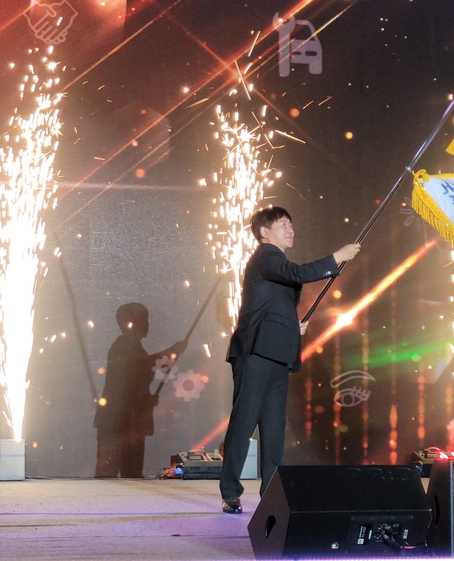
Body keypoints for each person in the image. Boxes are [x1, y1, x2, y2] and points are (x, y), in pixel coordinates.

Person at [219, 206, 361, 513]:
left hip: (277, 354)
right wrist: (337, 257)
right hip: (256, 352)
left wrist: (291, 327)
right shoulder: (266, 256)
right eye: (283, 224)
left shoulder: (276, 264)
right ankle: (230, 492)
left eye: (291, 224)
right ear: (264, 232)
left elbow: (272, 304)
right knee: (244, 421)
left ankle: (271, 492)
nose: (290, 229)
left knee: (274, 427)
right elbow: (298, 274)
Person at [94, 302, 187, 478]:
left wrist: (146, 399)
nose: (146, 324)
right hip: (122, 420)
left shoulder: (127, 347)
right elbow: (141, 369)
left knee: (121, 469)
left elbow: (139, 375)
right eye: (143, 320)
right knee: (125, 469)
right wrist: (172, 352)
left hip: (123, 419)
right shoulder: (124, 347)